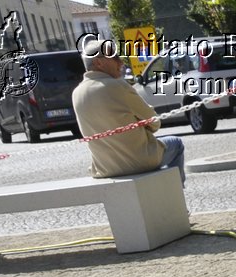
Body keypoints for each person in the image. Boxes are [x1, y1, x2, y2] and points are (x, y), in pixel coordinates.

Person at [72, 37, 185, 185]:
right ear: (98, 62)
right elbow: (154, 123)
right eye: (114, 57)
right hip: (139, 161)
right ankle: (176, 196)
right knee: (176, 144)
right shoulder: (116, 86)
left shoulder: (77, 93)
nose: (121, 62)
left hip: (105, 168)